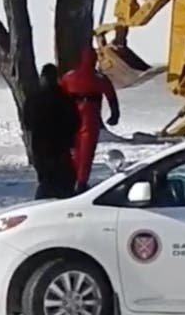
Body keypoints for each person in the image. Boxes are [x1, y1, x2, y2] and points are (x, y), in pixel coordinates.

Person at [60, 47, 120, 194]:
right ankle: (81, 182)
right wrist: (114, 115)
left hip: (71, 117)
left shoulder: (69, 77)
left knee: (74, 150)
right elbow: (111, 97)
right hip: (90, 118)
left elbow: (58, 95)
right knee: (86, 152)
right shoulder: (99, 78)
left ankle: (71, 180)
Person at [22, 64, 80, 200]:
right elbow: (76, 122)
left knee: (46, 181)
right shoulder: (66, 99)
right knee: (64, 181)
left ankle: (43, 206)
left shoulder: (33, 99)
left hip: (40, 148)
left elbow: (27, 124)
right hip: (61, 148)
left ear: (42, 78)